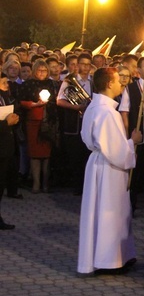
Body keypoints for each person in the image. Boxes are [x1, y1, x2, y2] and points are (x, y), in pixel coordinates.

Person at [77, 67, 142, 275]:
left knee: (108, 210)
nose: (121, 84)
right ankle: (109, 260)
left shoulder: (93, 108)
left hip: (97, 163)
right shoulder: (108, 113)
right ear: (108, 84)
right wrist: (133, 142)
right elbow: (116, 150)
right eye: (117, 80)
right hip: (109, 168)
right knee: (109, 212)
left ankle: (119, 255)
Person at [119, 57, 144, 216]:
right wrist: (128, 134)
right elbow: (124, 112)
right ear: (139, 70)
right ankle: (130, 205)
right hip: (139, 133)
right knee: (134, 171)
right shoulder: (131, 88)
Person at [56, 52, 93, 195]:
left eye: (88, 64)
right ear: (77, 65)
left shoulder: (93, 82)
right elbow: (60, 100)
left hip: (89, 123)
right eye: (82, 64)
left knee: (87, 154)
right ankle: (77, 186)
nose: (85, 67)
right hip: (74, 123)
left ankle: (87, 186)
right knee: (76, 156)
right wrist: (77, 107)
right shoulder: (69, 81)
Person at [19, 59, 57, 193]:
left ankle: (45, 184)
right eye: (40, 70)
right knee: (35, 154)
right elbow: (21, 101)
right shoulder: (28, 84)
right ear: (35, 71)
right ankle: (36, 183)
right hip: (33, 122)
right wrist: (34, 104)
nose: (42, 73)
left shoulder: (51, 84)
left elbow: (55, 101)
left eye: (45, 70)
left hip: (48, 122)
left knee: (46, 155)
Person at [0, 74, 20, 229]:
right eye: (4, 82)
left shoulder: (5, 96)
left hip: (6, 147)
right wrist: (6, 123)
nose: (7, 84)